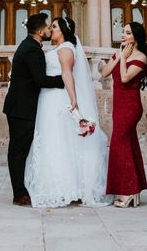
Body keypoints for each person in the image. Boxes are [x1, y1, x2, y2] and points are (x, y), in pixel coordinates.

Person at [25, 17, 111, 207]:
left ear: (63, 30)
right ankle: (54, 184)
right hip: (47, 98)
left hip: (58, 98)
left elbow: (66, 73)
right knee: (52, 139)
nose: (51, 30)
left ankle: (68, 187)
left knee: (60, 139)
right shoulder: (56, 49)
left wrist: (73, 99)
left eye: (54, 27)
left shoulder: (65, 49)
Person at [3, 13, 65, 206]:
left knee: (19, 150)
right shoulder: (32, 50)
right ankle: (19, 193)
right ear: (40, 31)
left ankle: (22, 189)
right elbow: (40, 80)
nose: (49, 30)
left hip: (19, 106)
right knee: (18, 151)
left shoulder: (30, 45)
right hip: (22, 108)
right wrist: (64, 80)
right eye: (47, 27)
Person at [101, 22, 147, 208]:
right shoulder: (120, 53)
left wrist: (123, 58)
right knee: (128, 145)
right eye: (122, 32)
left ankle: (128, 191)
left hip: (131, 107)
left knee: (119, 146)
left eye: (127, 33)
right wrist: (119, 56)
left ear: (135, 37)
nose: (123, 35)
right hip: (118, 106)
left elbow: (124, 78)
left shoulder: (141, 57)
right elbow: (104, 73)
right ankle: (133, 189)